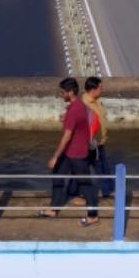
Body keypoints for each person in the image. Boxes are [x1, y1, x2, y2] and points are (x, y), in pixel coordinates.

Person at [39, 78, 100, 226]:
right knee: (58, 176)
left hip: (77, 153)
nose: (61, 95)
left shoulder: (74, 110)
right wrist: (65, 117)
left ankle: (93, 215)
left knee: (85, 184)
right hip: (70, 151)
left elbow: (67, 136)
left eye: (62, 92)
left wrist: (55, 156)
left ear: (70, 92)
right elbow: (77, 120)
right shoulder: (78, 105)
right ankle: (54, 209)